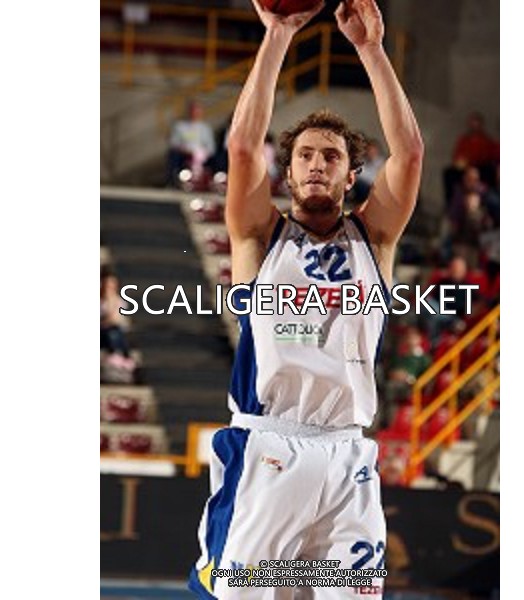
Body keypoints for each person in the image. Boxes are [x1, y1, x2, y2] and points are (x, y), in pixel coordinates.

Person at [188, 1, 423, 598]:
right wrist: (277, 35)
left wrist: (371, 49)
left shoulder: (374, 238)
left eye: (332, 156)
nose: (318, 164)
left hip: (349, 455)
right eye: (305, 156)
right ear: (287, 174)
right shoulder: (259, 237)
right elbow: (243, 150)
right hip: (270, 447)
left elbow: (410, 155)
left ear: (351, 176)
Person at [166, 99, 216, 188]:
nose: (195, 113)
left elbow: (211, 147)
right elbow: (174, 143)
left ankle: (209, 183)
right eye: (193, 111)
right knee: (173, 155)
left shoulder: (205, 128)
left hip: (201, 155)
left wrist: (203, 153)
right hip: (184, 153)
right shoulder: (180, 126)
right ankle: (173, 182)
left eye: (197, 111)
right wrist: (186, 151)